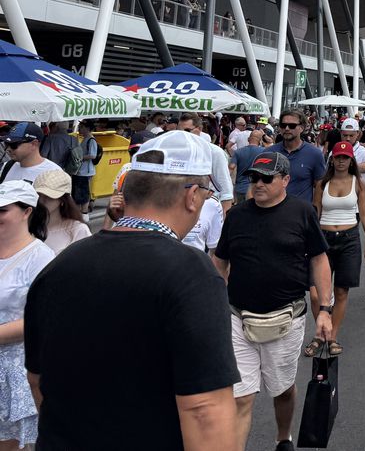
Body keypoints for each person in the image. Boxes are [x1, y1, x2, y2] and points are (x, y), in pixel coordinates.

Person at [24, 134, 239, 450]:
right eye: (207, 193)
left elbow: (38, 379)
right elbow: (205, 408)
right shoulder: (191, 273)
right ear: (192, 196)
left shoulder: (61, 263)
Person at [213, 149, 333, 451]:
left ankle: (283, 437)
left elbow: (319, 260)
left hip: (286, 318)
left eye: (266, 178)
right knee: (241, 397)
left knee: (281, 390)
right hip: (238, 318)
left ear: (285, 180)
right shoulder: (237, 215)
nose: (258, 183)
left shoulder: (302, 212)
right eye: (254, 177)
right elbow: (220, 261)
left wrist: (325, 310)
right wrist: (214, 300)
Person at [0, 181, 53, 449]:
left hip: (14, 369)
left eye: (2, 210)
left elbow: (41, 319)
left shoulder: (41, 258)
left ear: (26, 212)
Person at [309, 141, 365, 354]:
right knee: (317, 292)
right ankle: (320, 333)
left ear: (351, 160)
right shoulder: (322, 183)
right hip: (325, 237)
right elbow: (316, 213)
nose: (342, 161)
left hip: (349, 238)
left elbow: (363, 212)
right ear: (332, 159)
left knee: (341, 291)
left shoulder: (357, 183)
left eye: (346, 158)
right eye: (338, 157)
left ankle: (332, 336)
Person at [266, 109, 327, 200]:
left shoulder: (314, 154)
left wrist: (315, 211)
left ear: (302, 128)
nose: (287, 128)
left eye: (292, 126)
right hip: (271, 210)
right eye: (283, 125)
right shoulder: (269, 153)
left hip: (301, 212)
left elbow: (319, 185)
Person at [32, 170, 89, 254]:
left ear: (63, 200)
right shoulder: (26, 225)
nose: (42, 200)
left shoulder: (77, 229)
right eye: (39, 195)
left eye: (49, 196)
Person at [337, 118, 365, 210]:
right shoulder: (335, 149)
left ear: (358, 134)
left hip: (355, 201)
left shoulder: (363, 151)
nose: (348, 138)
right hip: (336, 198)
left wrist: (348, 167)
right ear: (341, 134)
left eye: (351, 135)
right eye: (345, 135)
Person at [73, 120, 100, 213]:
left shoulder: (91, 140)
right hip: (81, 171)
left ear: (88, 128)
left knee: (83, 194)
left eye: (81, 127)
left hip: (85, 172)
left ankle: (84, 213)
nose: (79, 129)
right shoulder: (85, 139)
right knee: (79, 193)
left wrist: (80, 157)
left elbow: (93, 155)